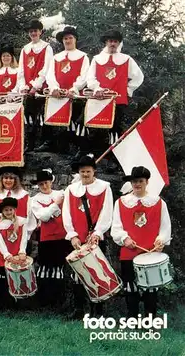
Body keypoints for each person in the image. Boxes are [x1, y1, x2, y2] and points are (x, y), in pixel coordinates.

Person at [111, 166, 171, 317]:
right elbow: (116, 227)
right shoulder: (121, 203)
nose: (137, 184)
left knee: (151, 289)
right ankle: (133, 319)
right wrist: (125, 238)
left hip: (150, 254)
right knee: (131, 288)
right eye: (134, 181)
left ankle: (150, 320)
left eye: (140, 181)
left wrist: (160, 240)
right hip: (129, 252)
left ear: (147, 182)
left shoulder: (158, 203)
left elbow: (165, 227)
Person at [62, 154, 113, 318]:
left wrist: (98, 232)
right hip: (78, 238)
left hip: (94, 238)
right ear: (79, 172)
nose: (85, 174)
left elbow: (107, 212)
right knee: (78, 275)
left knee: (96, 273)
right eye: (82, 172)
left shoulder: (104, 187)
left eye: (88, 171)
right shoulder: (71, 190)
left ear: (94, 171)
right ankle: (78, 310)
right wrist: (72, 235)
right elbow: (67, 213)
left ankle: (97, 311)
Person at [87, 29, 144, 145]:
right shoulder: (97, 59)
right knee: (98, 126)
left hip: (118, 100)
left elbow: (139, 76)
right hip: (100, 99)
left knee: (115, 128)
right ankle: (97, 152)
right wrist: (96, 88)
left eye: (115, 41)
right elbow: (90, 77)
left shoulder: (126, 59)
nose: (112, 44)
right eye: (110, 41)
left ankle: (114, 155)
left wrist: (128, 89)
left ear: (118, 44)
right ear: (106, 42)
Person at [43, 26, 90, 153]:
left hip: (74, 97)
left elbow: (85, 76)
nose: (67, 41)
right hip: (58, 96)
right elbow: (50, 74)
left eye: (70, 38)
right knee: (57, 123)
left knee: (76, 122)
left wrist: (74, 89)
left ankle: (79, 150)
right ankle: (61, 149)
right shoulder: (57, 57)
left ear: (75, 39)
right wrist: (54, 88)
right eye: (65, 38)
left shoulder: (83, 57)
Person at [30, 169, 69, 308]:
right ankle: (45, 301)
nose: (44, 186)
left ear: (51, 181)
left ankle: (58, 301)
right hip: (46, 238)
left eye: (46, 183)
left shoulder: (61, 194)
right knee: (46, 268)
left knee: (59, 267)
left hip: (62, 236)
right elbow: (43, 216)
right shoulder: (34, 200)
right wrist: (55, 204)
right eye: (41, 184)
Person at [18, 19, 53, 151]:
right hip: (28, 89)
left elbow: (46, 68)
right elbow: (21, 70)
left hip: (41, 88)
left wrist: (36, 86)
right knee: (28, 116)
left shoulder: (46, 47)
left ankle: (45, 143)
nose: (33, 33)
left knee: (43, 115)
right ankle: (30, 143)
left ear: (40, 32)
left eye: (35, 31)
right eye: (31, 31)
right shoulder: (25, 49)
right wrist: (23, 86)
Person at [0, 197, 30, 307]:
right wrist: (7, 255)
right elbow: (0, 241)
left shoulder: (22, 222)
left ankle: (19, 302)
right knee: (2, 279)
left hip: (18, 254)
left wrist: (22, 251)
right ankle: (2, 303)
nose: (8, 212)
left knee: (17, 278)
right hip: (4, 255)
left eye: (10, 209)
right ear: (2, 211)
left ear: (14, 210)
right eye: (6, 210)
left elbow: (24, 237)